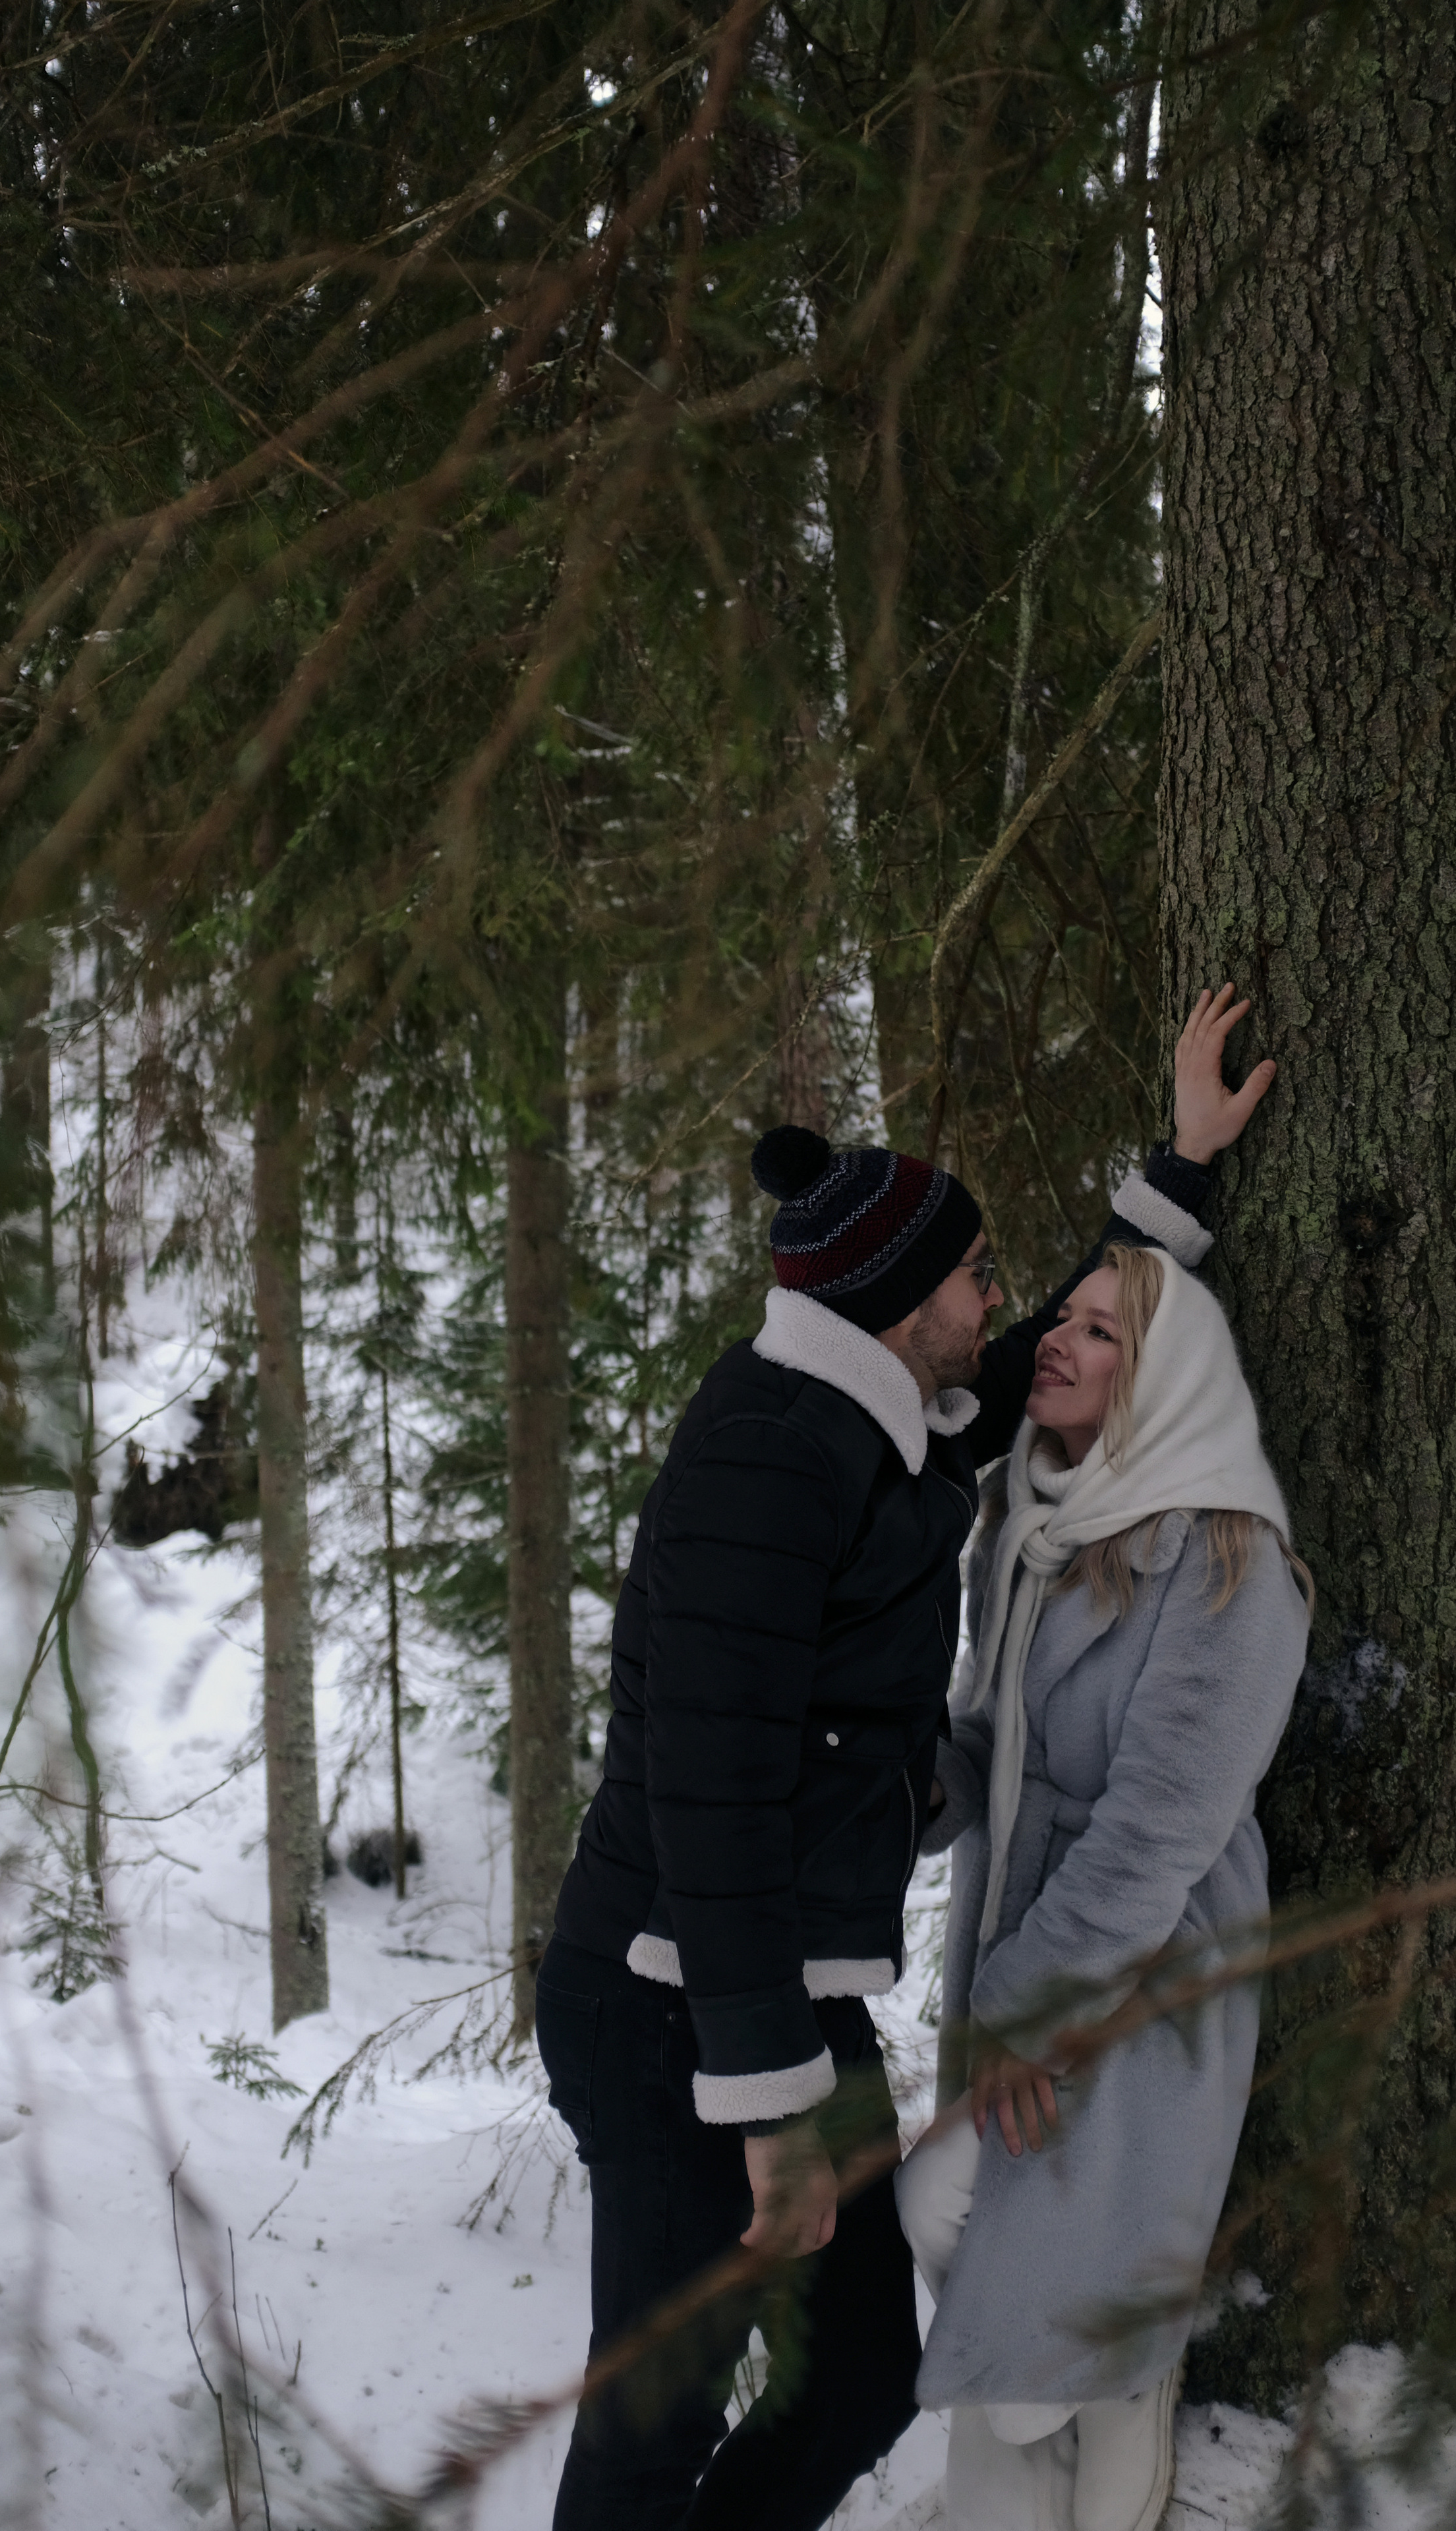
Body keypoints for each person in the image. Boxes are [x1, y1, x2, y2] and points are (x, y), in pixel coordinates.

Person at [535, 989, 1274, 2531]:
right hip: (681, 2002)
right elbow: (710, 1795)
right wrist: (766, 2107)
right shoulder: (767, 1455)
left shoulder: (859, 1416)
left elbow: (1016, 1376)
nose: (1000, 1300)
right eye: (976, 1275)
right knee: (652, 2419)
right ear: (897, 1301)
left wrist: (1175, 1184)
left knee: (860, 2373)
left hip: (767, 1998)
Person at [894, 1240, 1312, 2531]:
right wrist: (917, 1794)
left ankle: (1128, 2414)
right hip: (1021, 1940)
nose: (1054, 1342)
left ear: (1165, 1380)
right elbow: (986, 1728)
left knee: (1005, 2257)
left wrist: (1032, 2000)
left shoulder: (1228, 1557)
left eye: (1098, 1333)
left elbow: (1159, 1825)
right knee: (1019, 2308)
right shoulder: (1023, 1522)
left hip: (1139, 1967)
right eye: (1059, 1317)